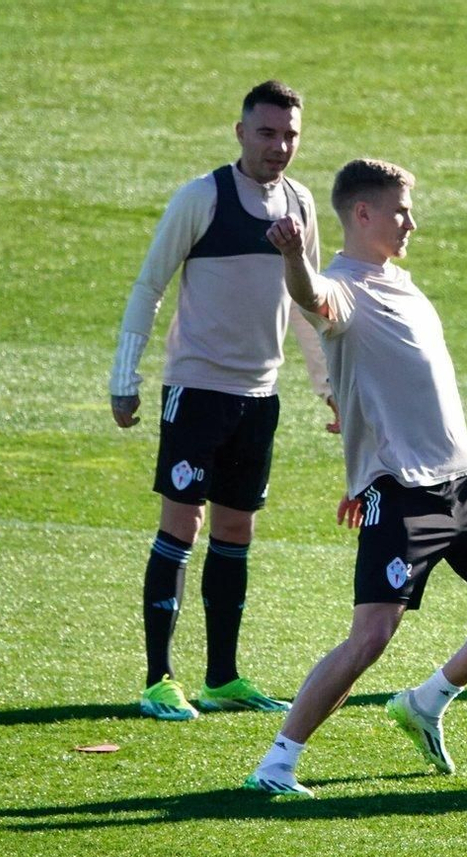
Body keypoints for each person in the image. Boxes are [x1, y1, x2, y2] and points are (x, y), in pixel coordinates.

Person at [242, 159, 467, 796]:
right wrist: (291, 256)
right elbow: (310, 297)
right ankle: (276, 764)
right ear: (362, 214)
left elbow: (390, 387)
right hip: (406, 491)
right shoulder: (342, 289)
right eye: (399, 211)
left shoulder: (402, 284)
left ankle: (425, 702)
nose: (410, 222)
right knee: (371, 636)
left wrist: (355, 452)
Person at [112, 80, 335, 722]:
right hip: (198, 391)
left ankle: (222, 677)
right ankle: (159, 678)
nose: (280, 146)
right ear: (240, 132)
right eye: (267, 133)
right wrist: (124, 378)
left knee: (236, 528)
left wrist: (329, 389)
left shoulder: (298, 204)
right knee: (182, 525)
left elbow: (309, 303)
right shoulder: (202, 197)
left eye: (290, 134)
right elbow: (149, 284)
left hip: (260, 396)